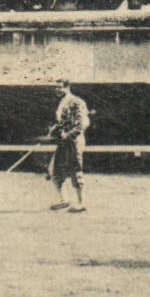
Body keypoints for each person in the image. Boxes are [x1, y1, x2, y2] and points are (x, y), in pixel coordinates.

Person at [47, 79, 88, 213]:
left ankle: (80, 203)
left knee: (76, 171)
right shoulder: (61, 103)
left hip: (74, 142)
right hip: (63, 142)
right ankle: (63, 199)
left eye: (60, 87)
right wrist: (55, 129)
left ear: (67, 87)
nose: (57, 90)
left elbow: (82, 124)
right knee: (54, 170)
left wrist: (68, 134)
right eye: (56, 88)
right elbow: (63, 123)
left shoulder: (77, 102)